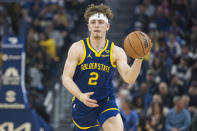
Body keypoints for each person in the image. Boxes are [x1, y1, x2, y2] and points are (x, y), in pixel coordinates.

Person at [62, 4, 143, 131]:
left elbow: (129, 79)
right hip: (82, 102)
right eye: (93, 22)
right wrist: (80, 96)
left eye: (100, 22)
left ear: (107, 26)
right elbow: (66, 78)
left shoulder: (116, 52)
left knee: (115, 127)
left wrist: (139, 59)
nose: (96, 25)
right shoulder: (78, 48)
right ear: (89, 26)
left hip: (106, 100)